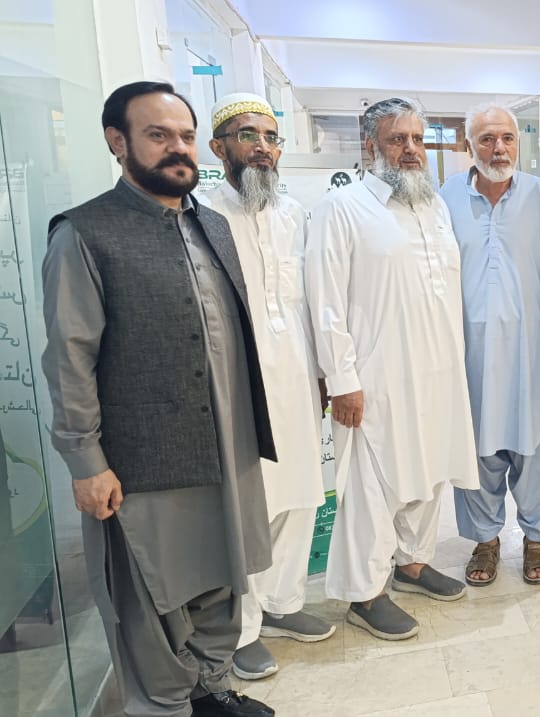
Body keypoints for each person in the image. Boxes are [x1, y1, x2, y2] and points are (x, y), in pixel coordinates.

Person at [41, 81, 275, 717]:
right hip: (142, 459)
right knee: (153, 600)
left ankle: (210, 691)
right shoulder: (85, 233)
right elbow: (69, 356)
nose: (178, 148)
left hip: (225, 448)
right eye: (158, 135)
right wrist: (86, 462)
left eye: (187, 136)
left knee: (223, 580)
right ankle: (164, 706)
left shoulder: (212, 225)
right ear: (117, 142)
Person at [307, 98, 480, 640]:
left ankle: (412, 564)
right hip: (376, 376)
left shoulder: (433, 207)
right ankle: (365, 593)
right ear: (370, 146)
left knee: (429, 471)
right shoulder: (341, 208)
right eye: (397, 139)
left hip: (438, 369)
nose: (410, 150)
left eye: (417, 140)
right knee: (372, 485)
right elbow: (325, 303)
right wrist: (342, 380)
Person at [202, 93, 334, 681]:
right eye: (247, 135)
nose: (262, 147)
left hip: (297, 374)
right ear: (219, 147)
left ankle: (283, 602)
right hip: (239, 380)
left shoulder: (295, 213)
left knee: (302, 491)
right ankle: (243, 627)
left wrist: (325, 371)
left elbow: (311, 299)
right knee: (253, 503)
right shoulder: (201, 214)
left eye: (271, 137)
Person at [440, 104, 540, 587]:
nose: (499, 149)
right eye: (487, 139)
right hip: (468, 349)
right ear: (468, 145)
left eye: (508, 138)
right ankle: (485, 540)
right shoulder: (444, 199)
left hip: (533, 348)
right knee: (477, 447)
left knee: (535, 446)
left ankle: (537, 539)